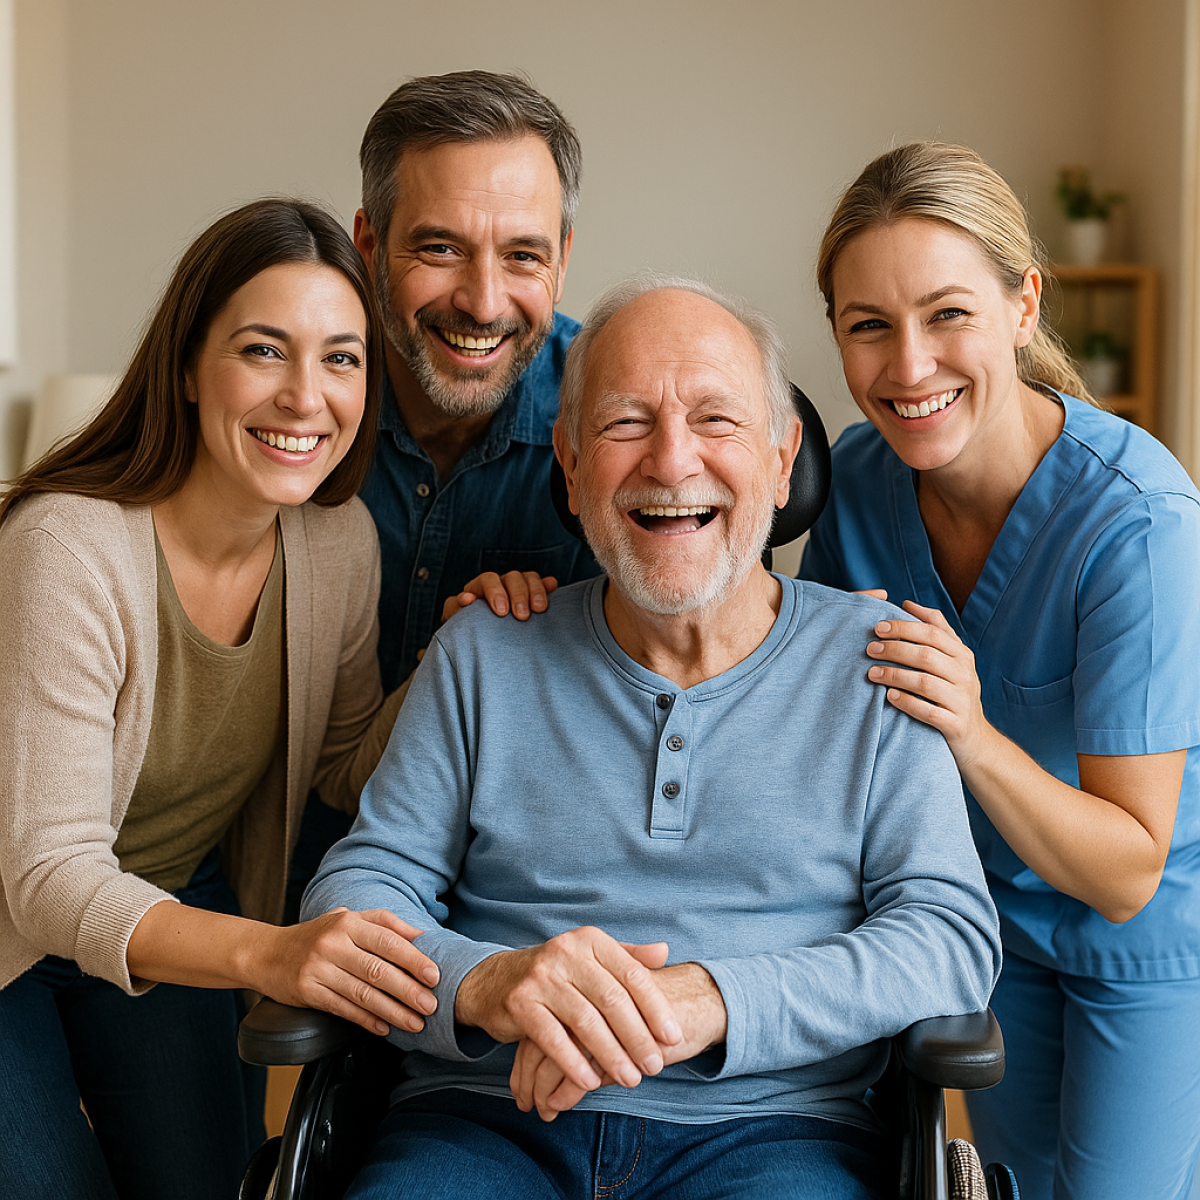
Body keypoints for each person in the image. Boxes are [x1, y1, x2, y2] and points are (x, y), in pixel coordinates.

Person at [302, 276, 1002, 1200]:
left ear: (784, 458)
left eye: (717, 420)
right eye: (627, 423)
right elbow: (357, 889)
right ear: (571, 460)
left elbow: (947, 934)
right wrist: (491, 985)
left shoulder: (880, 666)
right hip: (483, 1122)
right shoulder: (482, 653)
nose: (672, 465)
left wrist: (711, 1003)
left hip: (776, 1137)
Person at [0, 199, 440, 1200]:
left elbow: (340, 763)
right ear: (190, 364)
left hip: (164, 899)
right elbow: (47, 872)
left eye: (340, 358)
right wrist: (274, 955)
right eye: (263, 351)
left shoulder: (337, 547)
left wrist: (459, 657)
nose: (304, 397)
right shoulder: (68, 545)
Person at [800, 141, 1200, 1200]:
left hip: (1148, 938)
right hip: (989, 927)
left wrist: (970, 727)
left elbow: (1126, 870)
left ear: (1024, 305)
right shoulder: (853, 486)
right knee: (1017, 1184)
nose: (909, 366)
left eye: (947, 315)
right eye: (868, 327)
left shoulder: (1138, 524)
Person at [287, 71, 600, 914]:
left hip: (530, 879)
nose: (483, 301)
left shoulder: (614, 419)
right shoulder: (287, 410)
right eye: (439, 248)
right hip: (285, 855)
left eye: (523, 254)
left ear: (564, 259)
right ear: (366, 241)